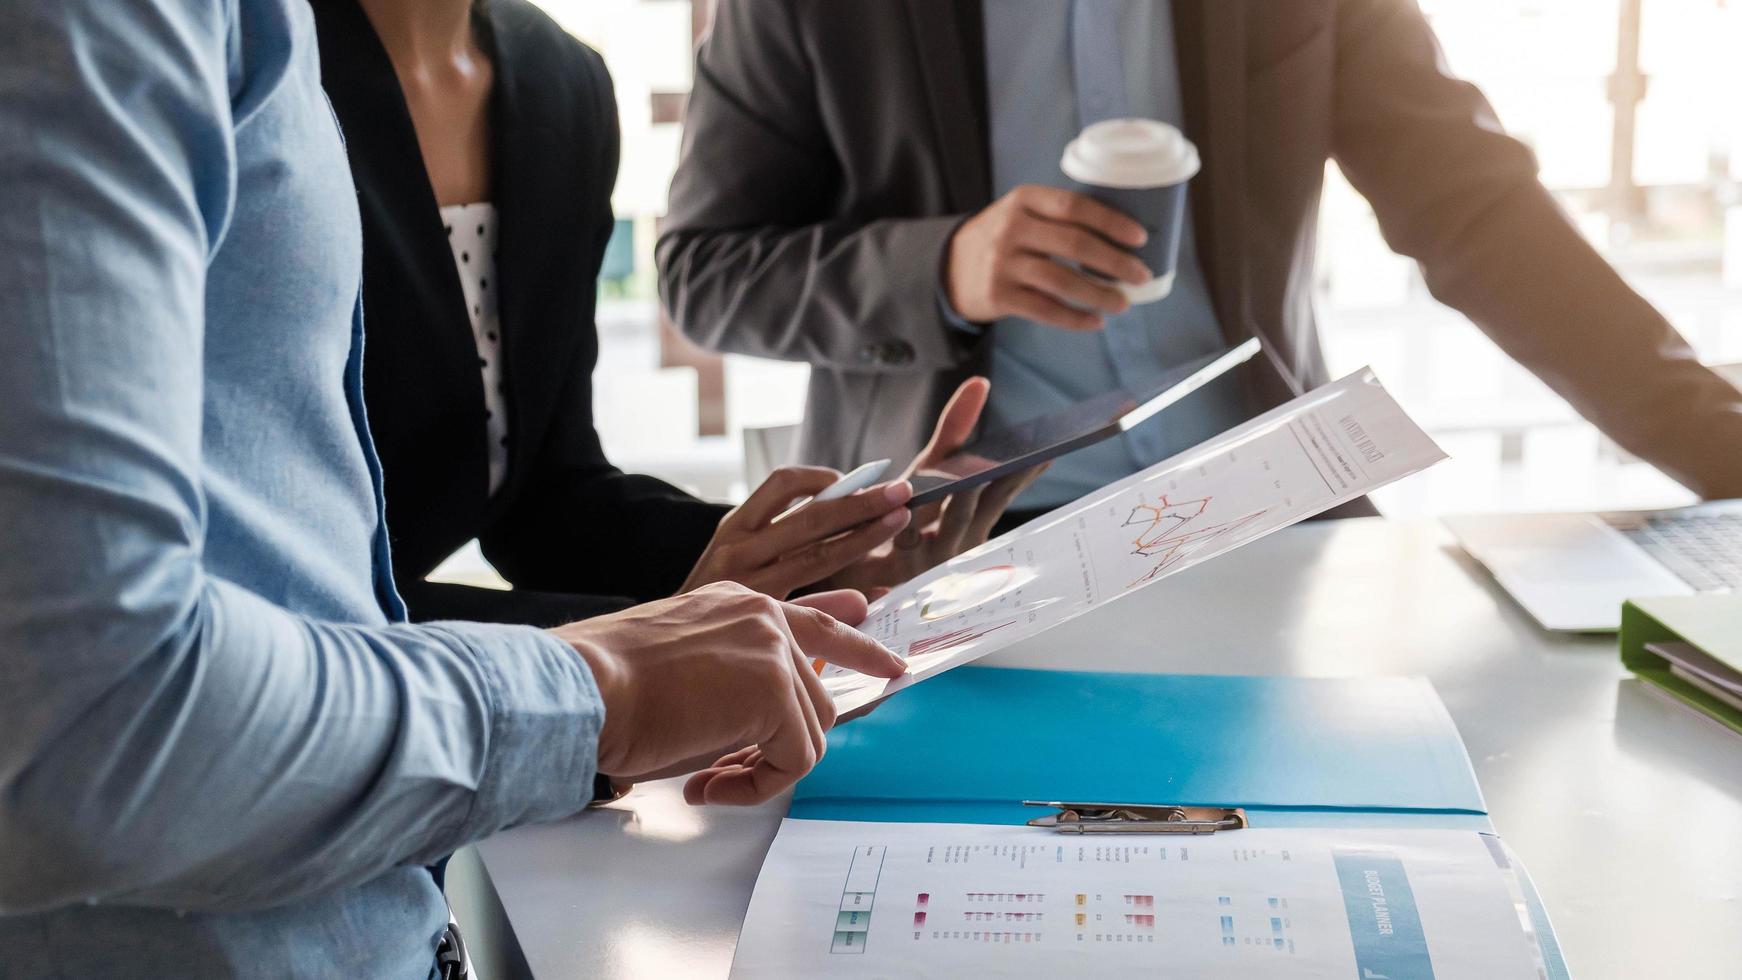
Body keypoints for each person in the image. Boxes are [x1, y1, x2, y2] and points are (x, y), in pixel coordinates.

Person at [0, 1, 901, 975]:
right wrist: (606, 681)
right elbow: (91, 709)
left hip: (369, 897)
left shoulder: (553, 79)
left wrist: (798, 552)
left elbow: (528, 494)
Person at [658, 0, 1742, 528]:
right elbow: (703, 267)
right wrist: (940, 267)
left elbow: (1474, 210)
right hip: (953, 542)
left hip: (1273, 512)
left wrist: (1722, 451)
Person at [310, 0, 1032, 626]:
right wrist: (662, 634)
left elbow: (548, 505)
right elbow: (281, 592)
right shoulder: (249, 79)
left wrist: (813, 562)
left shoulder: (559, 81)